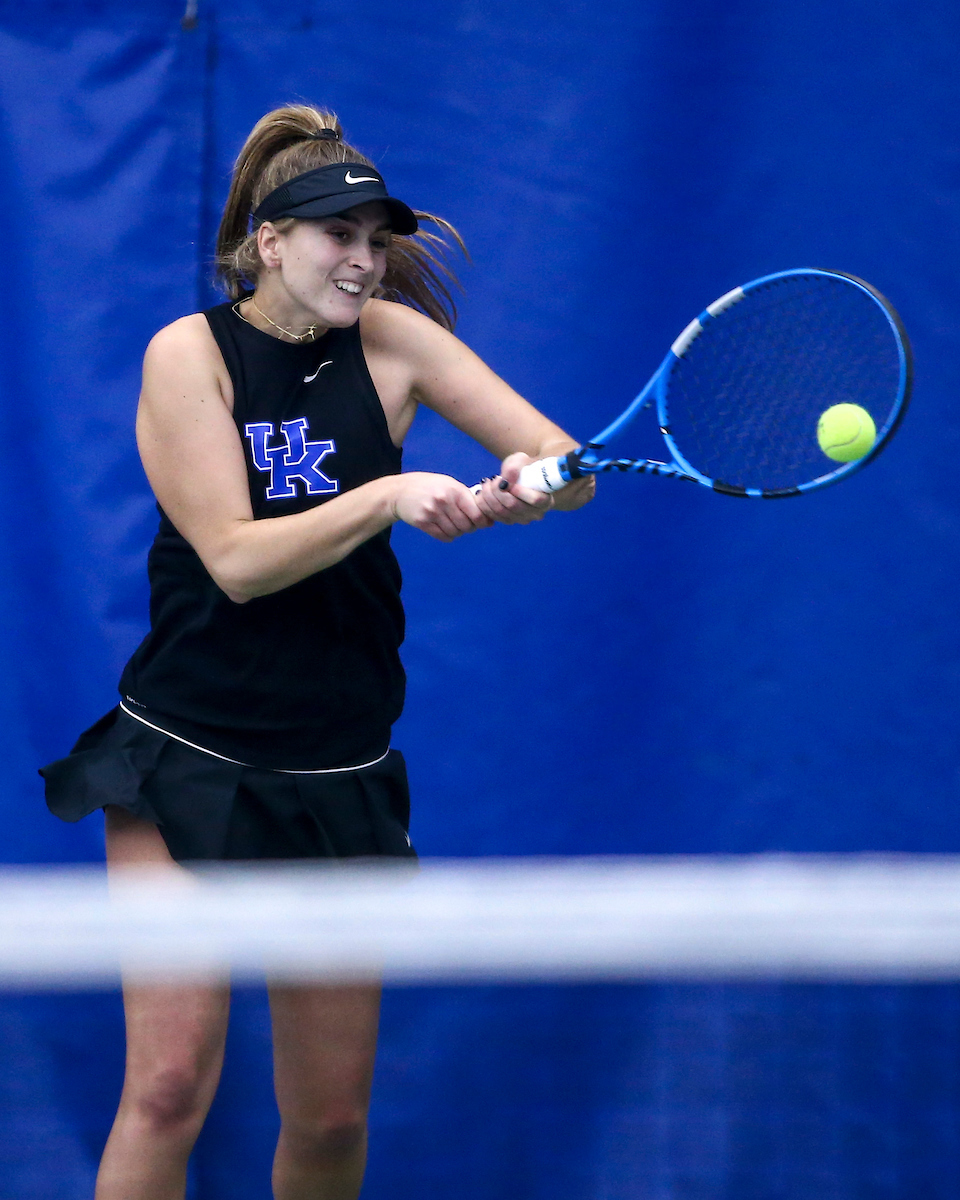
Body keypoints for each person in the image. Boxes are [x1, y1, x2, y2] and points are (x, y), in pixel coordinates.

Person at [40, 104, 594, 1200]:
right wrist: (388, 493)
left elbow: (560, 457)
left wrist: (533, 484)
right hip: (184, 755)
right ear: (269, 244)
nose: (362, 258)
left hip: (337, 774)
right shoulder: (185, 356)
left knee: (332, 1119)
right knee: (164, 1088)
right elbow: (236, 561)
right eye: (338, 235)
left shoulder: (394, 342)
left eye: (375, 238)